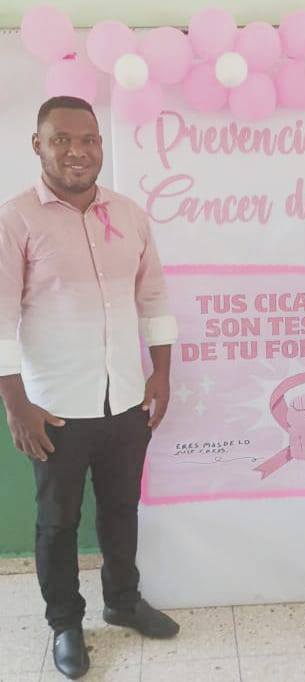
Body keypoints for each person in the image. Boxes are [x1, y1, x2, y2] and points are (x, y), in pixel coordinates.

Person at [0, 96, 179, 679]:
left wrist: (161, 372)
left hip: (125, 397)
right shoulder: (15, 220)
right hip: (54, 405)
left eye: (88, 140)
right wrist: (16, 405)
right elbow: (0, 317)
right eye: (61, 139)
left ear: (101, 144)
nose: (77, 151)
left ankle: (123, 601)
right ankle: (65, 622)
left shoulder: (128, 214)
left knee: (121, 508)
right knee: (58, 521)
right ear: (38, 145)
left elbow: (153, 296)